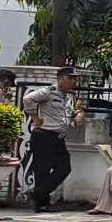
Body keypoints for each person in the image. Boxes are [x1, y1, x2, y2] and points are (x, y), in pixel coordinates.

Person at [23, 66, 83, 212]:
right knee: (42, 171)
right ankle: (42, 203)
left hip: (59, 138)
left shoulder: (70, 96)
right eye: (70, 78)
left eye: (74, 78)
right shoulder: (48, 92)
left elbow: (72, 112)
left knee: (64, 168)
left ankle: (36, 194)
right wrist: (35, 118)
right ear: (60, 78)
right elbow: (27, 99)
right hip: (44, 135)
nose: (73, 81)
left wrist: (79, 115)